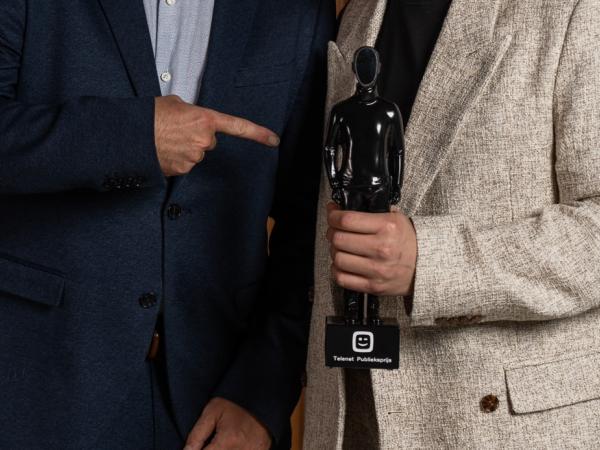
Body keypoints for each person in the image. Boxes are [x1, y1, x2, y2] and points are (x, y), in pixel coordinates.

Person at [0, 0, 334, 449]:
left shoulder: (302, 8)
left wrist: (261, 396)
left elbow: (311, 222)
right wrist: (135, 137)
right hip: (38, 387)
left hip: (218, 403)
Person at [305, 0, 600, 448]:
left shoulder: (577, 10)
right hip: (350, 416)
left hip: (502, 427)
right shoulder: (360, 12)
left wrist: (432, 263)